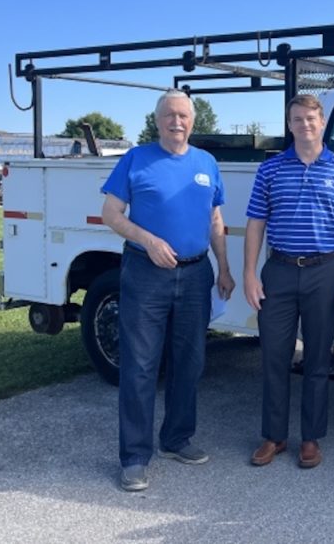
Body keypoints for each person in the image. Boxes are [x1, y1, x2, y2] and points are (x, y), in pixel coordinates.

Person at [101, 89, 235, 492]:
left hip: (196, 275)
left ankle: (177, 439)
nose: (177, 122)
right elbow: (111, 214)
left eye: (184, 116)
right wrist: (149, 241)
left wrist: (224, 267)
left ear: (193, 121)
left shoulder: (206, 163)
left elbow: (215, 219)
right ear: (157, 121)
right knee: (141, 366)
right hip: (146, 273)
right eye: (169, 116)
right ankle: (135, 458)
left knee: (189, 362)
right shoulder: (136, 159)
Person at [243, 93, 334, 469]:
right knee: (274, 358)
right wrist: (249, 273)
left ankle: (310, 439)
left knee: (316, 359)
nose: (305, 125)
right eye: (297, 119)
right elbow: (255, 224)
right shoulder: (270, 170)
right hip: (278, 272)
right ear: (290, 124)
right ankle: (274, 437)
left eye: (310, 119)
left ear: (323, 121)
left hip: (325, 272)